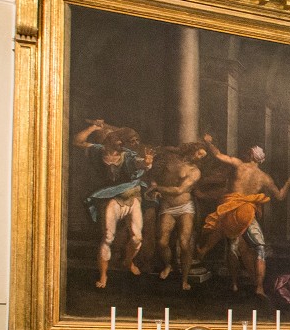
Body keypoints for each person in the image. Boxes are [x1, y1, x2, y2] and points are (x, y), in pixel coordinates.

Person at [196, 136, 290, 298]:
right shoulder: (265, 177)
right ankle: (258, 287)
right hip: (247, 212)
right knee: (260, 248)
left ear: (250, 155)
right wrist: (288, 183)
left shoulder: (238, 165)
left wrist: (208, 142)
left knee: (233, 246)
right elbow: (279, 196)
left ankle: (235, 283)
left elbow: (218, 155)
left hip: (231, 210)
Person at [74, 119, 148, 289]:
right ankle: (103, 275)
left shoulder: (128, 154)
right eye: (117, 139)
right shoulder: (97, 151)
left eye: (121, 139)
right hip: (112, 199)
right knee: (108, 237)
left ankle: (128, 262)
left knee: (137, 238)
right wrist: (93, 127)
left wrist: (147, 163)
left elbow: (140, 163)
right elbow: (77, 141)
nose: (121, 142)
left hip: (132, 198)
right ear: (107, 140)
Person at [149, 142, 207, 290]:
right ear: (193, 150)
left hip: (185, 207)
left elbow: (179, 190)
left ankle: (185, 280)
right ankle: (168, 265)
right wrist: (154, 182)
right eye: (199, 153)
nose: (200, 157)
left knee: (184, 243)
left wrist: (157, 188)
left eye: (203, 156)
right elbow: (155, 171)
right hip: (167, 206)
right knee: (162, 242)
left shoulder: (195, 171)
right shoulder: (171, 159)